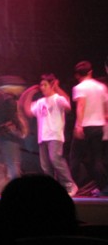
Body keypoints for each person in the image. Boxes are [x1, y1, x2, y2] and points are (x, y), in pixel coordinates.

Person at [19, 74, 78, 197]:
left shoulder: (57, 99)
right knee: (46, 166)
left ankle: (70, 184)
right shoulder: (40, 102)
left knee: (55, 160)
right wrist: (30, 93)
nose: (42, 87)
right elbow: (28, 112)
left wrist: (57, 88)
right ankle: (52, 189)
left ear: (51, 85)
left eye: (45, 85)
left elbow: (68, 107)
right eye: (41, 85)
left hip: (55, 135)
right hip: (43, 136)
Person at [69, 60, 108, 196]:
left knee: (75, 157)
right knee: (97, 158)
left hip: (85, 126)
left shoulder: (80, 88)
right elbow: (106, 108)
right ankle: (104, 187)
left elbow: (81, 106)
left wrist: (78, 125)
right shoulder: (101, 87)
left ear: (77, 75)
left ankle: (71, 185)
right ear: (90, 72)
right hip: (98, 126)